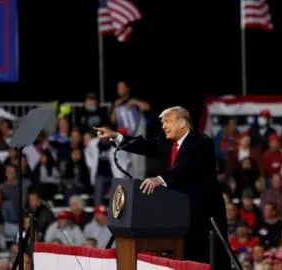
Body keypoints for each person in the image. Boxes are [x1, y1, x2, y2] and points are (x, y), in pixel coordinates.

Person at [94, 106, 229, 266]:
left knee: (205, 257)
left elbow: (187, 166)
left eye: (167, 121)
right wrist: (116, 136)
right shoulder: (165, 142)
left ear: (182, 123)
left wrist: (160, 179)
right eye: (162, 122)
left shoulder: (201, 142)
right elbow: (144, 145)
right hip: (176, 213)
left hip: (202, 213)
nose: (163, 126)